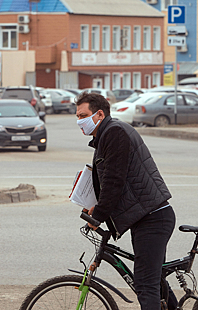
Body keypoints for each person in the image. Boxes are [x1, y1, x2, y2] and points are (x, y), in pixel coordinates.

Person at [75, 91, 177, 310]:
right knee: (155, 281)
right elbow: (112, 182)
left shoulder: (114, 133)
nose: (79, 121)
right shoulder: (106, 135)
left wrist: (100, 215)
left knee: (146, 285)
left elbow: (114, 181)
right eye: (77, 116)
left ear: (99, 114)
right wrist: (98, 210)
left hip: (153, 218)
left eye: (83, 115)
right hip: (146, 217)